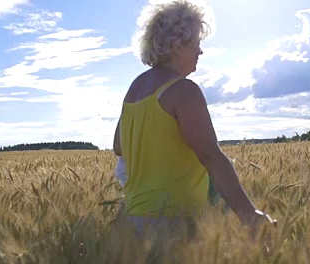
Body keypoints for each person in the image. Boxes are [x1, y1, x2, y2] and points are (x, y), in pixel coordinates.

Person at [112, 0, 275, 242]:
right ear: (177, 45)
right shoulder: (183, 90)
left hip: (134, 219)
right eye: (196, 44)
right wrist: (249, 213)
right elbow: (210, 154)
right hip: (174, 222)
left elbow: (119, 146)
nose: (200, 52)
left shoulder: (135, 88)